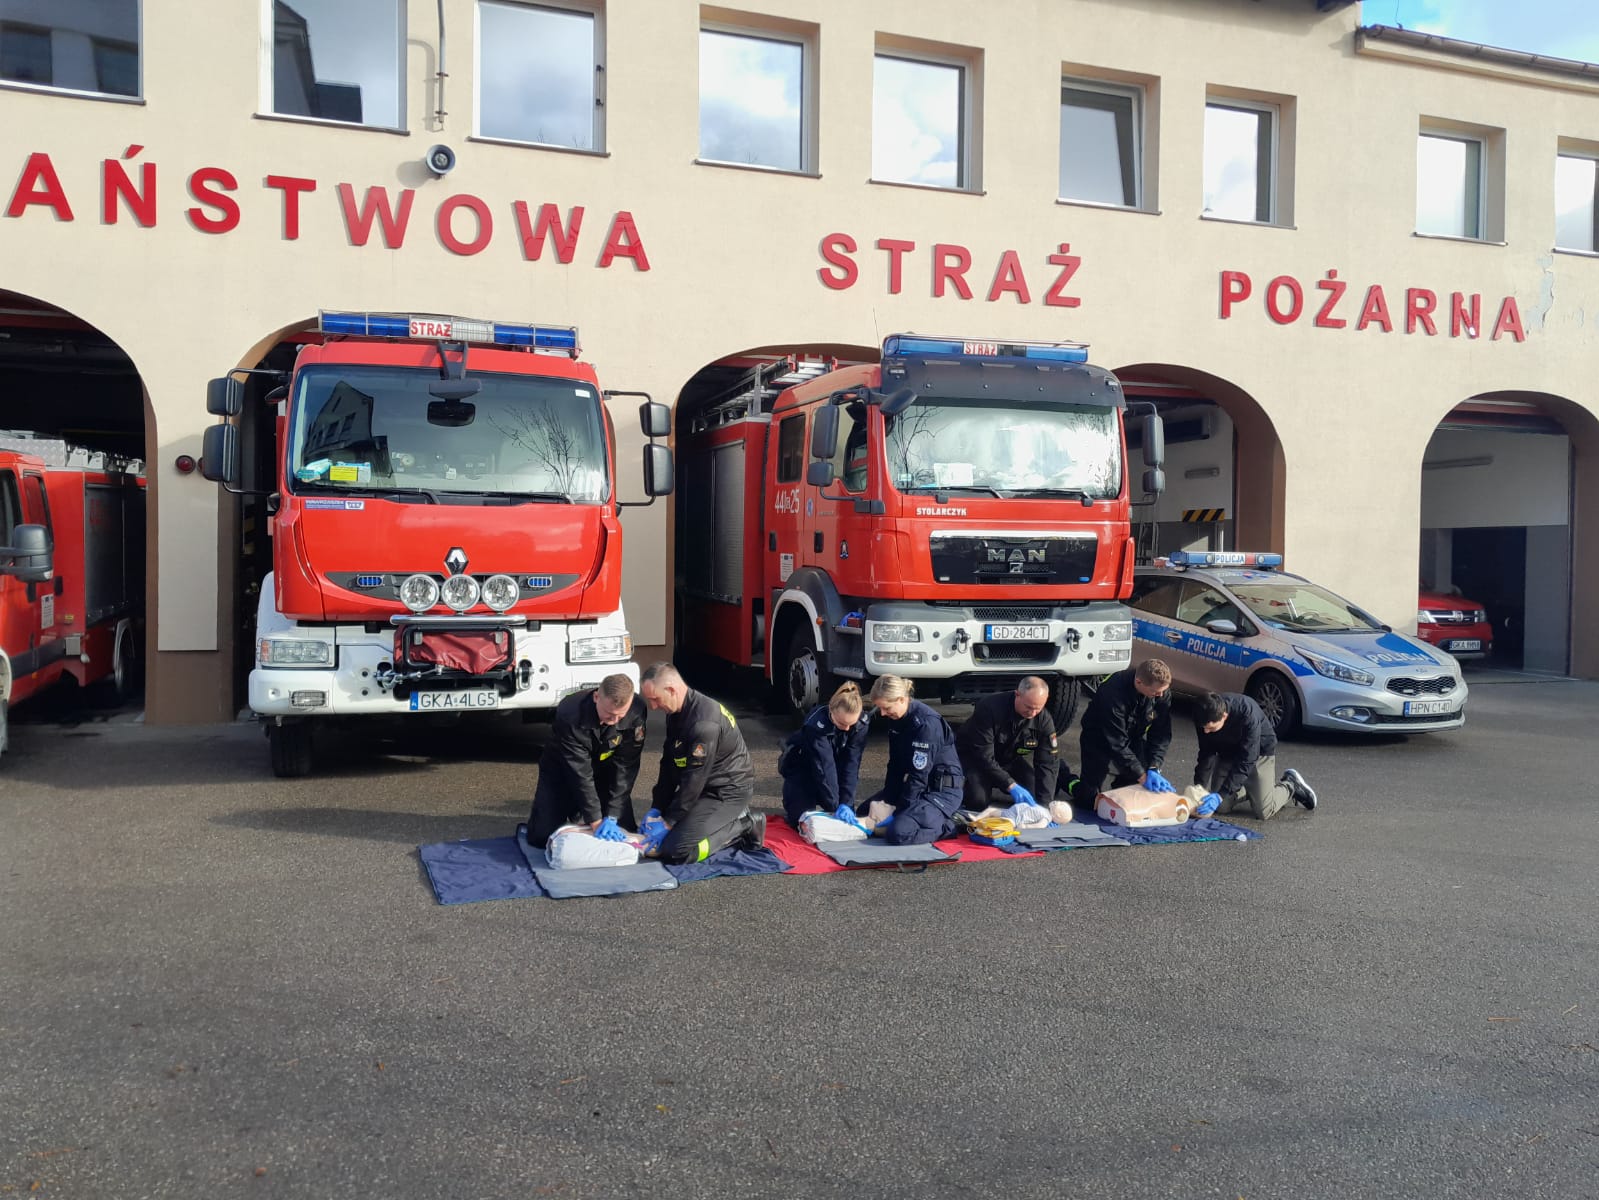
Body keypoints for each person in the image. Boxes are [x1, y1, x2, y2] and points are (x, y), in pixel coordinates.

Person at [638, 662, 764, 863]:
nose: (653, 706)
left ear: (671, 690)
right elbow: (669, 763)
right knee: (661, 837)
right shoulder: (676, 712)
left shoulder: (703, 724)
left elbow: (694, 779)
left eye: (655, 699)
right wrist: (658, 808)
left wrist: (669, 822)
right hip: (702, 786)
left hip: (727, 790)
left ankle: (745, 824)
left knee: (676, 851)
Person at [525, 674, 648, 849]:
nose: (614, 721)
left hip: (605, 772)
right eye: (609, 714)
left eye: (620, 716)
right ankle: (576, 812)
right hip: (563, 771)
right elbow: (580, 773)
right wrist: (595, 820)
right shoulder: (570, 713)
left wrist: (612, 815)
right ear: (596, 697)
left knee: (625, 830)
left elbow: (626, 767)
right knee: (541, 837)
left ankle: (584, 815)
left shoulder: (636, 710)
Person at [864, 675, 964, 845]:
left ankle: (949, 825)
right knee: (865, 812)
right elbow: (895, 766)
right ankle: (923, 818)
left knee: (898, 833)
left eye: (886, 708)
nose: (883, 713)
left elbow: (919, 775)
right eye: (880, 708)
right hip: (919, 786)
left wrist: (898, 812)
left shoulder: (926, 724)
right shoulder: (896, 719)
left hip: (940, 792)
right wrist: (887, 800)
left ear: (901, 699)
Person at [1192, 691, 1318, 819]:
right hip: (1228, 753)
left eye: (1211, 728)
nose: (1206, 731)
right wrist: (1198, 789)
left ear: (1224, 716)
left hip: (1258, 753)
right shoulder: (1203, 715)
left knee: (1264, 810)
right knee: (1221, 807)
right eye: (1204, 728)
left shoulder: (1247, 713)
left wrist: (1220, 795)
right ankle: (1253, 790)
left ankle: (1290, 785)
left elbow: (1247, 760)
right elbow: (1206, 753)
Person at [1065, 658, 1175, 804]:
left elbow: (1161, 734)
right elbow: (1116, 742)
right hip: (1099, 737)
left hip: (1133, 737)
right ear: (1139, 682)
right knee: (1089, 799)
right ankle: (1065, 777)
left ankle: (1120, 788)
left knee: (1132, 794)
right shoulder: (1112, 693)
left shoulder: (1160, 692)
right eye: (1156, 692)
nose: (1160, 695)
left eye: (1163, 691)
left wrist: (1155, 766)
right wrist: (1141, 775)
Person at [956, 676, 1060, 810]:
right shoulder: (989, 708)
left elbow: (1047, 763)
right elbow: (983, 755)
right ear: (1017, 695)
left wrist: (1045, 807)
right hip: (976, 759)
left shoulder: (1044, 720)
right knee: (978, 801)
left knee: (1037, 794)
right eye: (1028, 707)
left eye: (1038, 709)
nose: (1033, 713)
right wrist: (1010, 784)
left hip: (1008, 759)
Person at [778, 681, 871, 829]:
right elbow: (824, 767)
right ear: (831, 710)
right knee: (800, 821)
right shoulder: (816, 725)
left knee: (845, 817)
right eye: (842, 723)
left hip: (835, 769)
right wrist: (835, 806)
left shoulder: (860, 724)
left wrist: (846, 803)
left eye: (851, 724)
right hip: (804, 770)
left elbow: (852, 765)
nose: (847, 729)